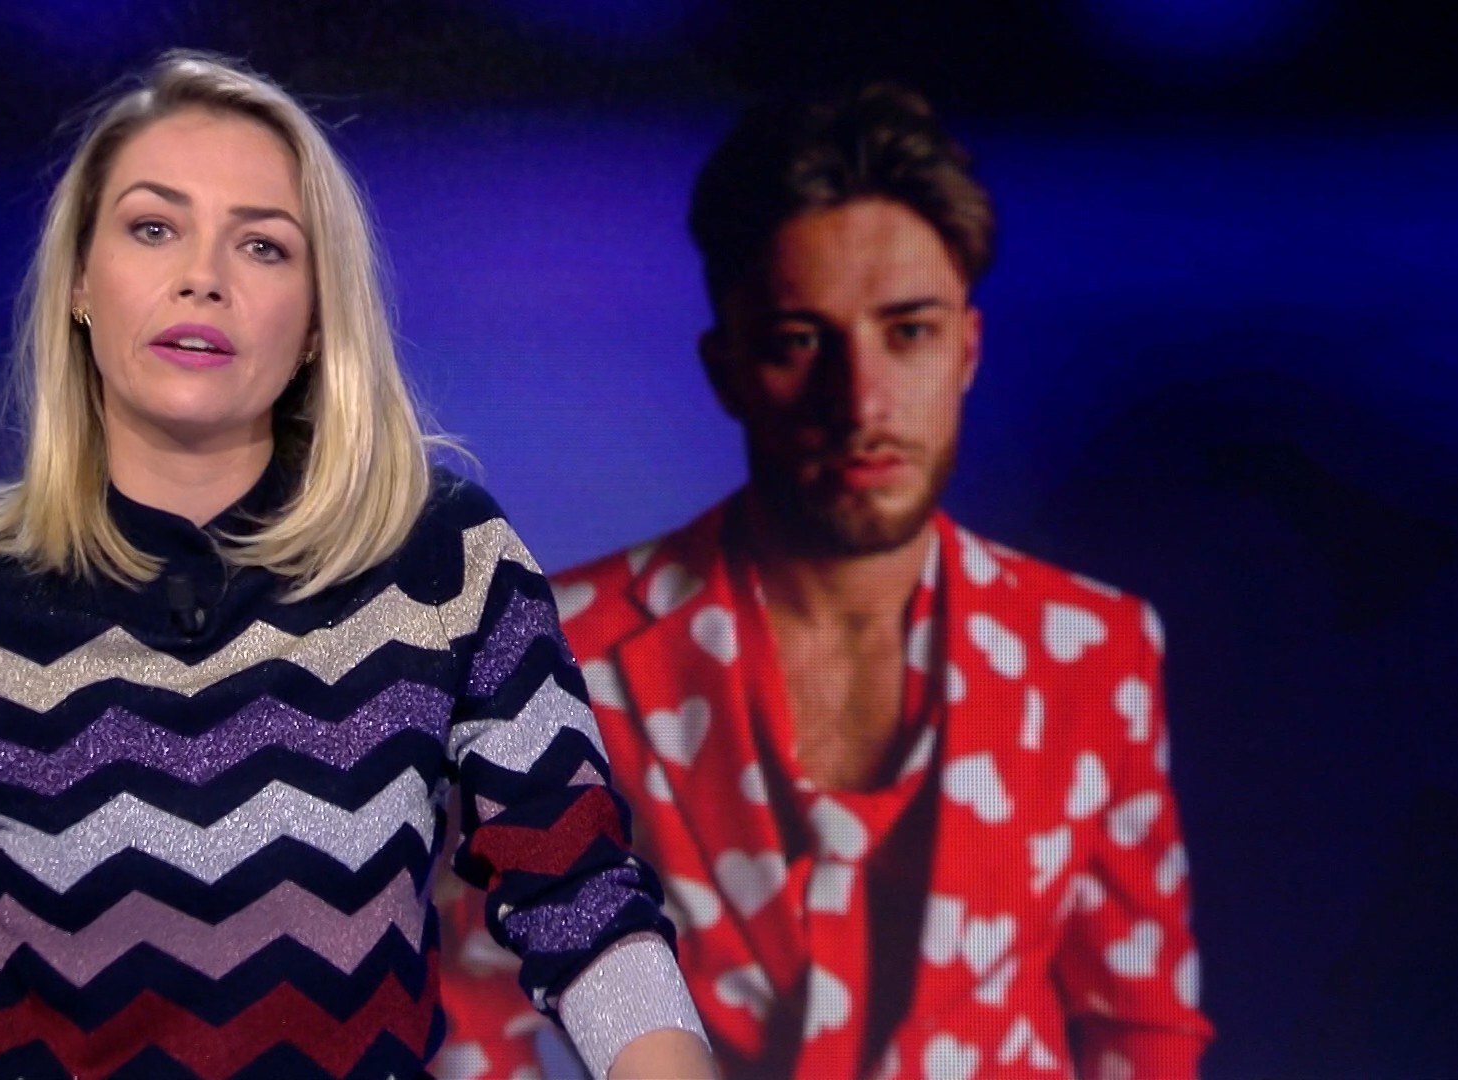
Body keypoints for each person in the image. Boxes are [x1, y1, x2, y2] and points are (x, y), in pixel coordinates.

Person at [0, 50, 716, 1080]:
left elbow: (580, 901)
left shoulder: (443, 559)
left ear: (317, 322)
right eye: (154, 228)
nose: (203, 277)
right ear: (81, 283)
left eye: (263, 245)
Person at [439, 86, 1215, 1078]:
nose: (862, 402)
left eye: (909, 331)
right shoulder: (564, 648)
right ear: (726, 368)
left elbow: (1144, 1029)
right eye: (800, 341)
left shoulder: (1092, 651)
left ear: (968, 348)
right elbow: (466, 1005)